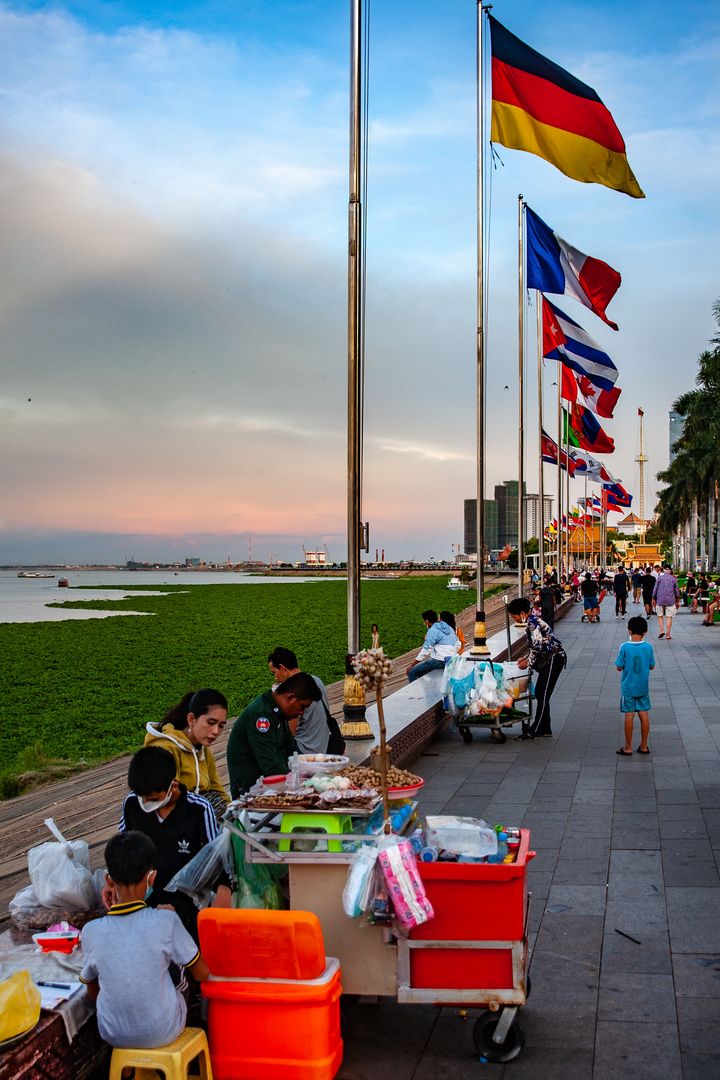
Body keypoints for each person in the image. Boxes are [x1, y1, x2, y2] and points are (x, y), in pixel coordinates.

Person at [80, 831, 209, 1050]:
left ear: (109, 880)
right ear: (151, 878)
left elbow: (92, 993)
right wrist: (176, 921)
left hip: (112, 1034)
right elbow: (201, 973)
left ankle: (128, 1067)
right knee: (178, 966)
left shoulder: (90, 930)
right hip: (162, 1031)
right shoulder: (166, 920)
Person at [116, 747, 231, 940]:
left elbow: (216, 857)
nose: (145, 803)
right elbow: (123, 850)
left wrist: (224, 889)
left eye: (152, 799)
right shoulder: (131, 805)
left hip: (186, 898)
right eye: (141, 797)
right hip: (144, 896)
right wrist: (115, 882)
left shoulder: (199, 809)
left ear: (173, 787)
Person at [226, 672, 321, 796]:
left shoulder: (278, 713)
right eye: (302, 707)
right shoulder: (261, 715)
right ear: (290, 698)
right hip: (251, 794)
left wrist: (316, 771)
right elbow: (270, 767)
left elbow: (292, 752)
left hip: (271, 789)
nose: (302, 713)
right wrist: (304, 781)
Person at [144, 689, 229, 820]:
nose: (216, 731)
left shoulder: (203, 751)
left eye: (221, 725)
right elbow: (165, 801)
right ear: (191, 719)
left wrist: (235, 817)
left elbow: (218, 790)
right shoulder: (165, 750)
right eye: (211, 723)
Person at [508, 597, 567, 740]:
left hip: (553, 658)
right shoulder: (532, 622)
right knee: (541, 694)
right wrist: (526, 658)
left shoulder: (532, 623)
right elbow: (537, 646)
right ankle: (546, 728)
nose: (515, 620)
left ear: (522, 613)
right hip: (550, 658)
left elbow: (538, 647)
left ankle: (535, 730)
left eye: (514, 616)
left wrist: (527, 662)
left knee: (544, 695)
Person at [267, 647, 331, 755]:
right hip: (323, 746)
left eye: (274, 672)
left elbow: (289, 733)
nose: (275, 678)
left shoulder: (293, 692)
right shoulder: (315, 680)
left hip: (305, 750)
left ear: (282, 668)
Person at [615, 616, 655, 756]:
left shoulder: (624, 647)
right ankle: (644, 745)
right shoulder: (648, 646)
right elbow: (652, 665)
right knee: (643, 714)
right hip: (643, 687)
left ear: (629, 631)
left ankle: (628, 747)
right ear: (645, 632)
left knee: (629, 715)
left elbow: (619, 667)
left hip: (628, 688)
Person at [406, 610, 459, 682]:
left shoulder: (432, 630)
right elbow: (458, 644)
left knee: (412, 673)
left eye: (424, 621)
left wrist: (412, 665)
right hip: (451, 659)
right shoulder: (448, 628)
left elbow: (426, 650)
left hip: (439, 661)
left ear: (427, 621)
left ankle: (418, 692)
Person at [653, 566, 680, 639]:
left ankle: (662, 630)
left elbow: (655, 589)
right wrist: (677, 600)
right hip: (670, 600)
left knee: (660, 615)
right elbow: (676, 591)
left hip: (660, 599)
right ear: (671, 571)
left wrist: (653, 598)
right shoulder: (674, 579)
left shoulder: (659, 578)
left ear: (664, 570)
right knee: (669, 617)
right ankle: (668, 634)